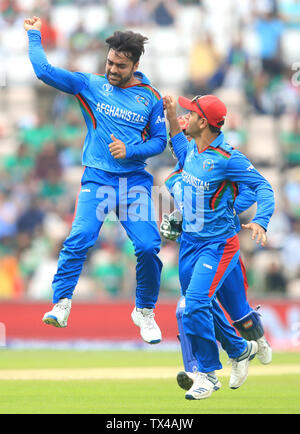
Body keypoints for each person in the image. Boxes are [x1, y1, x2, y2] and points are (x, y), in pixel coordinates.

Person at [24, 16, 167, 344]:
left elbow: (160, 142)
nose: (112, 70)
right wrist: (34, 35)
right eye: (110, 62)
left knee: (147, 246)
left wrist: (130, 149)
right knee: (80, 237)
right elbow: (44, 71)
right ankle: (61, 302)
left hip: (134, 183)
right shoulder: (90, 85)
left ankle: (144, 310)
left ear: (135, 64)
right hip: (98, 180)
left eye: (120, 65)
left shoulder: (151, 98)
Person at [164, 94, 275, 400]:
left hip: (218, 246)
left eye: (191, 112)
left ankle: (206, 373)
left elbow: (263, 188)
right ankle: (239, 352)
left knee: (229, 313)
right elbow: (176, 142)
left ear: (203, 122)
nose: (187, 115)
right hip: (190, 244)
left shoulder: (228, 158)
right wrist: (172, 115)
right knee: (198, 305)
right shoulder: (191, 151)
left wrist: (261, 221)